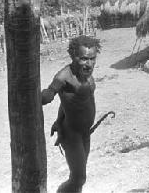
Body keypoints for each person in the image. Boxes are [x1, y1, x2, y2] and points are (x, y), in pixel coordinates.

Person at [42, 35, 101, 193]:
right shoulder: (64, 76)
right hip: (72, 134)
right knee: (78, 178)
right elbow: (51, 92)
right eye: (83, 59)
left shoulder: (86, 75)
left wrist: (58, 118)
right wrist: (42, 97)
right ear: (73, 56)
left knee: (79, 180)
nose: (88, 64)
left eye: (92, 59)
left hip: (85, 133)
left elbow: (68, 100)